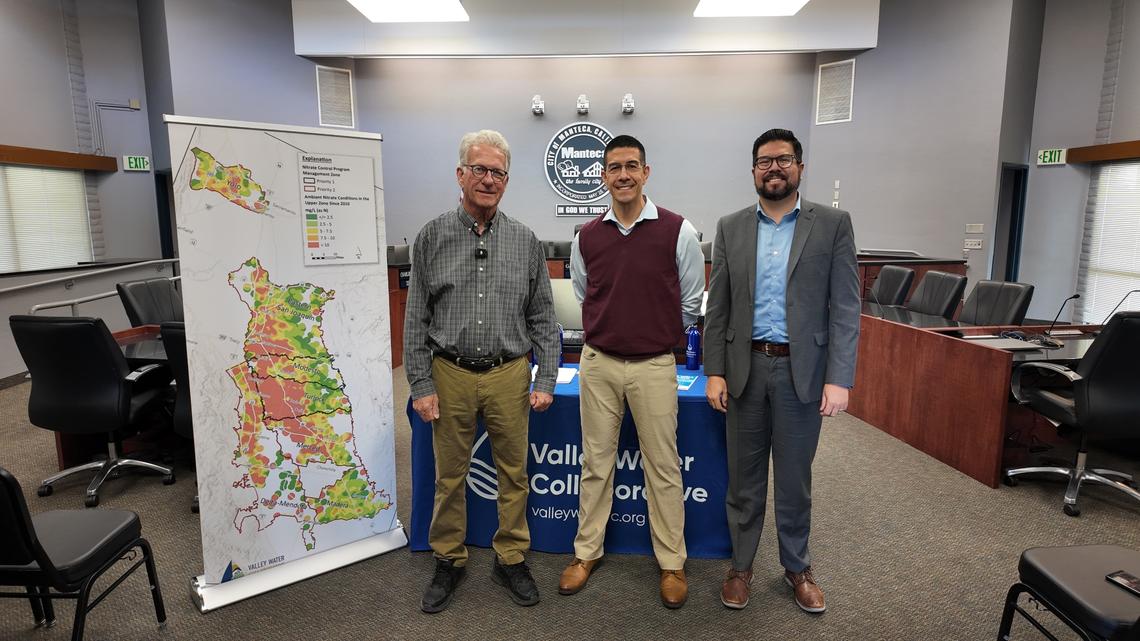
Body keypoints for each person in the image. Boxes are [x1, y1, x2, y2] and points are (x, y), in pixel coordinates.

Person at [703, 128, 860, 613]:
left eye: (784, 160)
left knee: (795, 479)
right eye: (764, 161)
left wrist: (840, 377)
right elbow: (719, 307)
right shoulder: (731, 226)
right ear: (753, 170)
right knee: (743, 480)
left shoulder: (832, 224)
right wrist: (715, 370)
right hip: (744, 368)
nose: (774, 168)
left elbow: (845, 306)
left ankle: (797, 567)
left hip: (802, 374)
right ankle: (741, 567)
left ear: (799, 167)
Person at [404, 129, 559, 614]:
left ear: (506, 180)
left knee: (514, 473)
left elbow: (542, 317)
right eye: (479, 170)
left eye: (497, 172)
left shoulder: (525, 241)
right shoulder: (432, 235)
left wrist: (547, 377)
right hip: (448, 372)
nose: (488, 179)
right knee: (449, 475)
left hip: (508, 373)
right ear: (461, 174)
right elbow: (416, 317)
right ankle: (448, 558)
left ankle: (510, 556)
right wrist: (420, 383)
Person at [559, 134, 705, 609]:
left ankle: (671, 563)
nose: (623, 174)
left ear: (646, 172)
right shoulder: (586, 236)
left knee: (662, 467)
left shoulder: (678, 230)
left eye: (632, 166)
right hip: (598, 364)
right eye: (614, 166)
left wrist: (653, 334)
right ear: (602, 175)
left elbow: (689, 302)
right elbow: (585, 294)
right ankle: (586, 554)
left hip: (654, 365)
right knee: (595, 464)